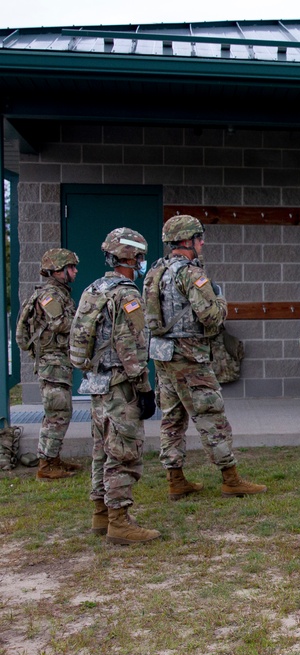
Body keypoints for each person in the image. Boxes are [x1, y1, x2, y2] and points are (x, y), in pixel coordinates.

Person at [144, 214, 266, 501]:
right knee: (211, 417)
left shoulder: (155, 273)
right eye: (199, 238)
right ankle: (230, 478)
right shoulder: (191, 274)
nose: (202, 243)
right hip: (190, 358)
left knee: (172, 419)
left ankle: (175, 480)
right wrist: (221, 301)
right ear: (186, 241)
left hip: (163, 356)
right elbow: (211, 318)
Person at [69, 228, 159, 545]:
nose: (142, 263)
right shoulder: (127, 295)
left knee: (100, 450)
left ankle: (100, 514)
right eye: (140, 258)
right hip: (121, 385)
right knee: (123, 453)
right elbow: (129, 346)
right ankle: (119, 522)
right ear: (131, 258)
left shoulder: (95, 289)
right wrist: (145, 388)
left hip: (96, 383)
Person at [15, 247, 83, 480]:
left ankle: (52, 458)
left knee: (60, 410)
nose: (74, 271)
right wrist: (87, 320)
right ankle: (46, 465)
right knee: (57, 411)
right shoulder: (50, 295)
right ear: (57, 271)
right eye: (70, 268)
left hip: (58, 361)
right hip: (51, 362)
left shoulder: (60, 293)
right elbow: (60, 323)